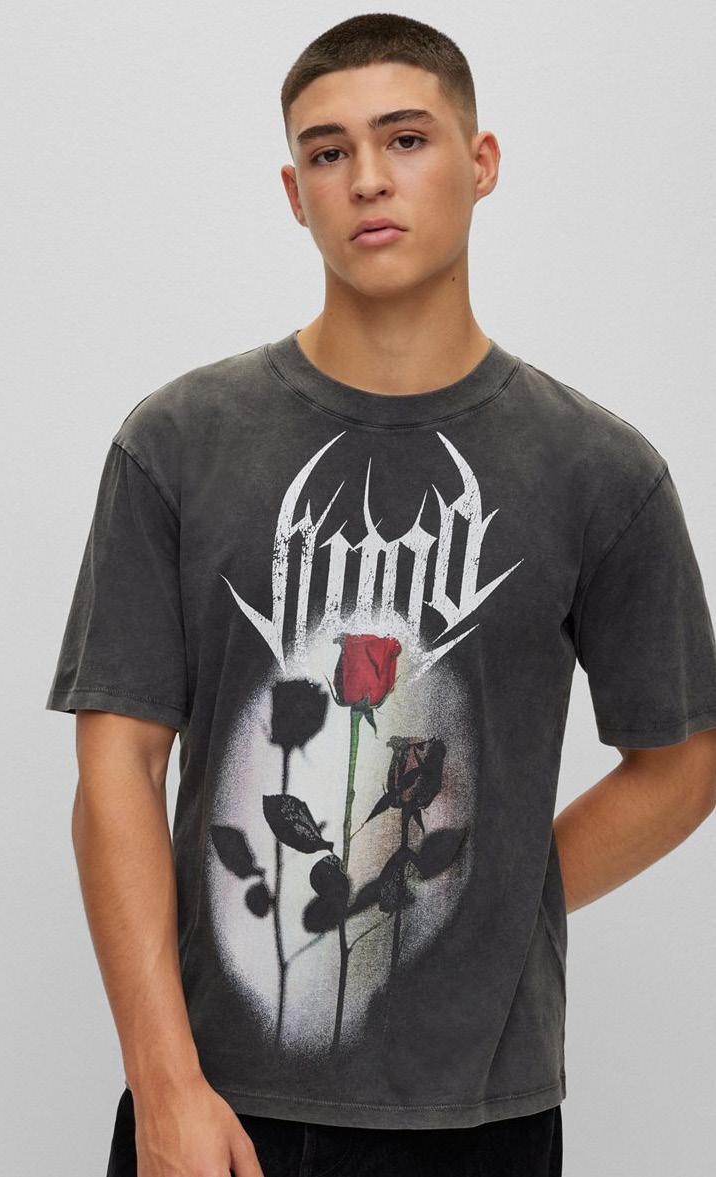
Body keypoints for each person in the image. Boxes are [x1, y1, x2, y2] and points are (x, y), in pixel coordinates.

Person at [45, 13, 716, 1177]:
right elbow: (117, 767)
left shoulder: (597, 470)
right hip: (218, 1109)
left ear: (479, 161)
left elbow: (683, 759)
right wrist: (164, 1084)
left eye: (404, 139)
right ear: (293, 192)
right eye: (326, 151)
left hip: (482, 1120)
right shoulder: (178, 443)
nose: (365, 178)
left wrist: (500, 889)